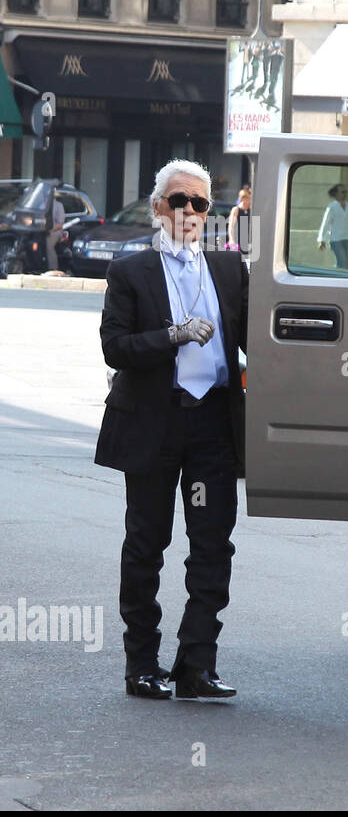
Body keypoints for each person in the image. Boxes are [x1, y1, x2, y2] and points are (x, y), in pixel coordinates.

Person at [96, 159, 248, 701]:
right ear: (158, 206)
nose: (187, 211)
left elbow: (264, 340)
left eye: (199, 203)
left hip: (212, 424)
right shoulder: (131, 272)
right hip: (156, 425)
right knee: (147, 543)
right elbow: (115, 347)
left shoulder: (230, 272)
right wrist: (173, 335)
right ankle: (141, 664)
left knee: (211, 546)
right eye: (177, 201)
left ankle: (196, 664)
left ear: (209, 214)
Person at [317, 183, 348, 268]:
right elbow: (325, 224)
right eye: (342, 192)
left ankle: (333, 277)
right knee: (342, 262)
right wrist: (321, 239)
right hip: (335, 240)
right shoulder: (332, 207)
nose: (345, 194)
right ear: (336, 194)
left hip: (346, 239)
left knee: (341, 263)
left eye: (346, 192)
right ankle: (340, 280)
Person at [45, 189, 65, 272]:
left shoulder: (58, 205)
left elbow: (60, 224)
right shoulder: (41, 205)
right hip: (40, 232)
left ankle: (53, 268)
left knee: (49, 244)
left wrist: (49, 230)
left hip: (54, 232)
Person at [226, 186, 251, 253]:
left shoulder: (251, 210)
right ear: (243, 199)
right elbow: (231, 226)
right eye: (249, 198)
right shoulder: (236, 210)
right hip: (238, 241)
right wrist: (231, 239)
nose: (250, 200)